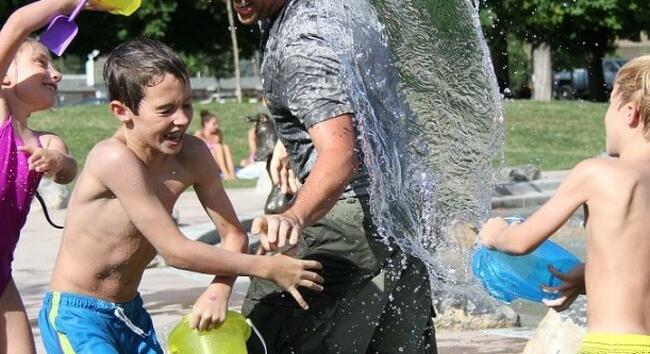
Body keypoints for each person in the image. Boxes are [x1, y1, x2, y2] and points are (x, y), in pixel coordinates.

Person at [37, 38, 323, 354]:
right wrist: (267, 268)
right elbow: (174, 251)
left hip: (130, 313)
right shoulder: (113, 159)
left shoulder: (194, 155)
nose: (182, 119)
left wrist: (219, 289)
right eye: (166, 110)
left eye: (186, 104)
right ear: (121, 111)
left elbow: (232, 234)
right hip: (78, 315)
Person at [231, 0, 436, 353]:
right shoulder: (340, 8)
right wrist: (290, 135)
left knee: (264, 337)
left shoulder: (301, 44)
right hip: (404, 213)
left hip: (345, 218)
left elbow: (340, 155)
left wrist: (294, 215)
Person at [481, 56, 650, 353]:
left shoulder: (597, 173)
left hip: (612, 346)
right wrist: (587, 276)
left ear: (630, 113)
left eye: (610, 106)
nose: (605, 118)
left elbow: (520, 241)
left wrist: (494, 233)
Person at [0, 1, 83, 352]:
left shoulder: (44, 140)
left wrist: (56, 162)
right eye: (41, 63)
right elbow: (18, 24)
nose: (57, 73)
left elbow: (68, 169)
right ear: (5, 76)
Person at [194, 110, 236, 180]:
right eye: (214, 124)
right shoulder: (199, 134)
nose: (216, 126)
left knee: (225, 147)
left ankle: (231, 173)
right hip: (205, 162)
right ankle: (225, 173)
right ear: (206, 124)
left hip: (217, 163)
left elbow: (222, 153)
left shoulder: (218, 134)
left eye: (217, 124)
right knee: (218, 146)